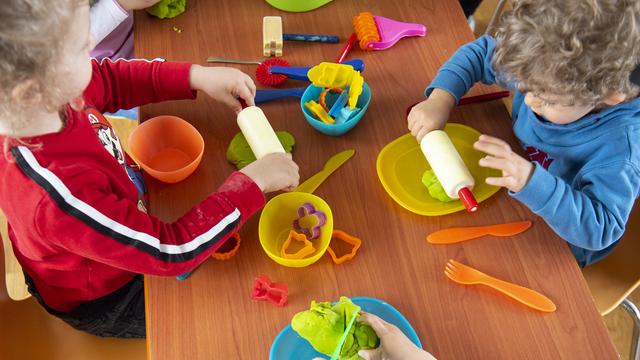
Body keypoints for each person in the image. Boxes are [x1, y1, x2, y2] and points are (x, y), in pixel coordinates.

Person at [0, 0, 299, 338]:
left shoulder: (45, 96)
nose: (91, 44)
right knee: (221, 318)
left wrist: (195, 76)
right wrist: (253, 182)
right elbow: (172, 252)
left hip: (115, 224)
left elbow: (109, 79)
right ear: (32, 92)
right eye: (81, 45)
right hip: (111, 294)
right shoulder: (57, 199)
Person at [408, 0, 640, 266]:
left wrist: (531, 181)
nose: (528, 101)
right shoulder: (542, 62)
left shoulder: (621, 149)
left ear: (609, 96)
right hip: (514, 185)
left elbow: (600, 229)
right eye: (523, 85)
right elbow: (480, 54)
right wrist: (441, 98)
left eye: (546, 100)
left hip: (557, 242)